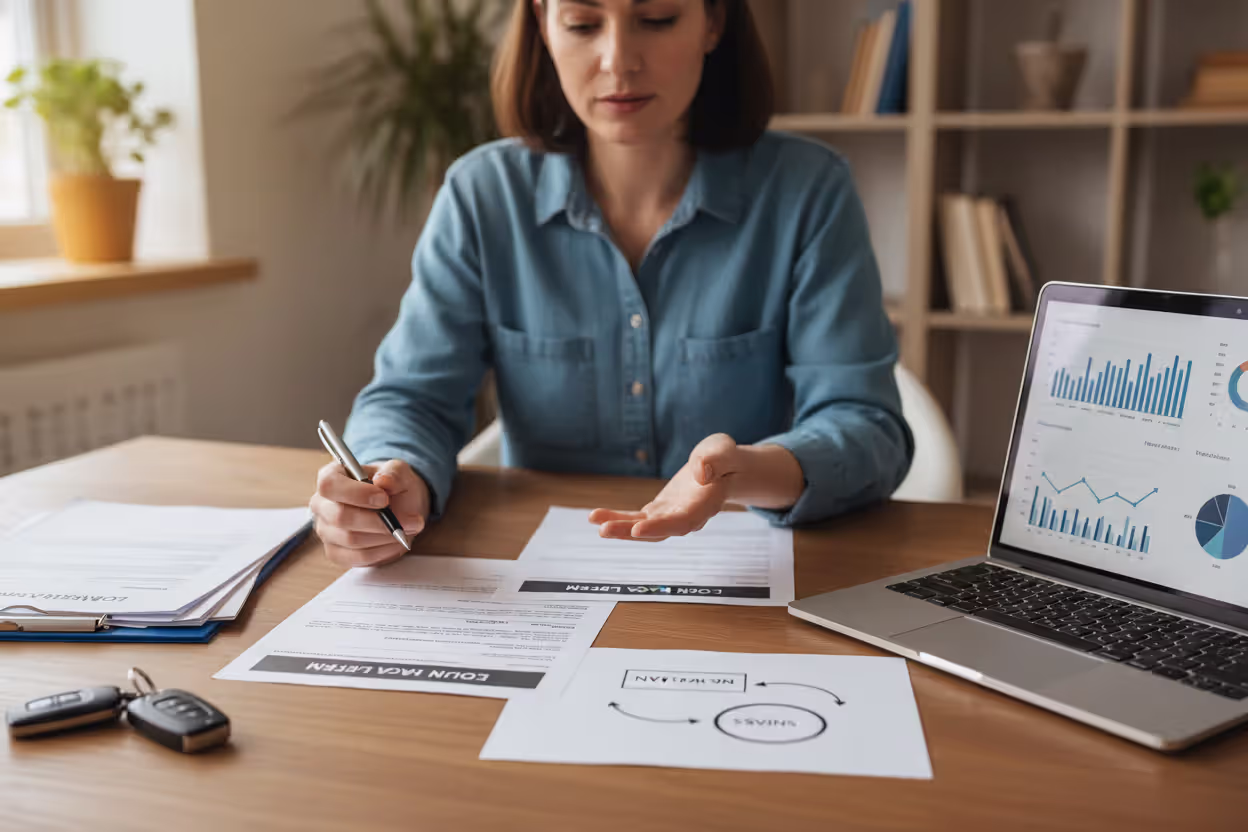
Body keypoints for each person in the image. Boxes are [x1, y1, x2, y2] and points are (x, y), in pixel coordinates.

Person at [310, 0, 913, 568]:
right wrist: (390, 479)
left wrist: (746, 472)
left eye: (656, 17)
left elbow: (865, 424)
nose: (619, 60)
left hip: (745, 566)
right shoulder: (482, 195)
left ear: (711, 22)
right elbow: (412, 396)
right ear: (544, 25)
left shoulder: (808, 191)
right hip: (539, 583)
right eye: (582, 23)